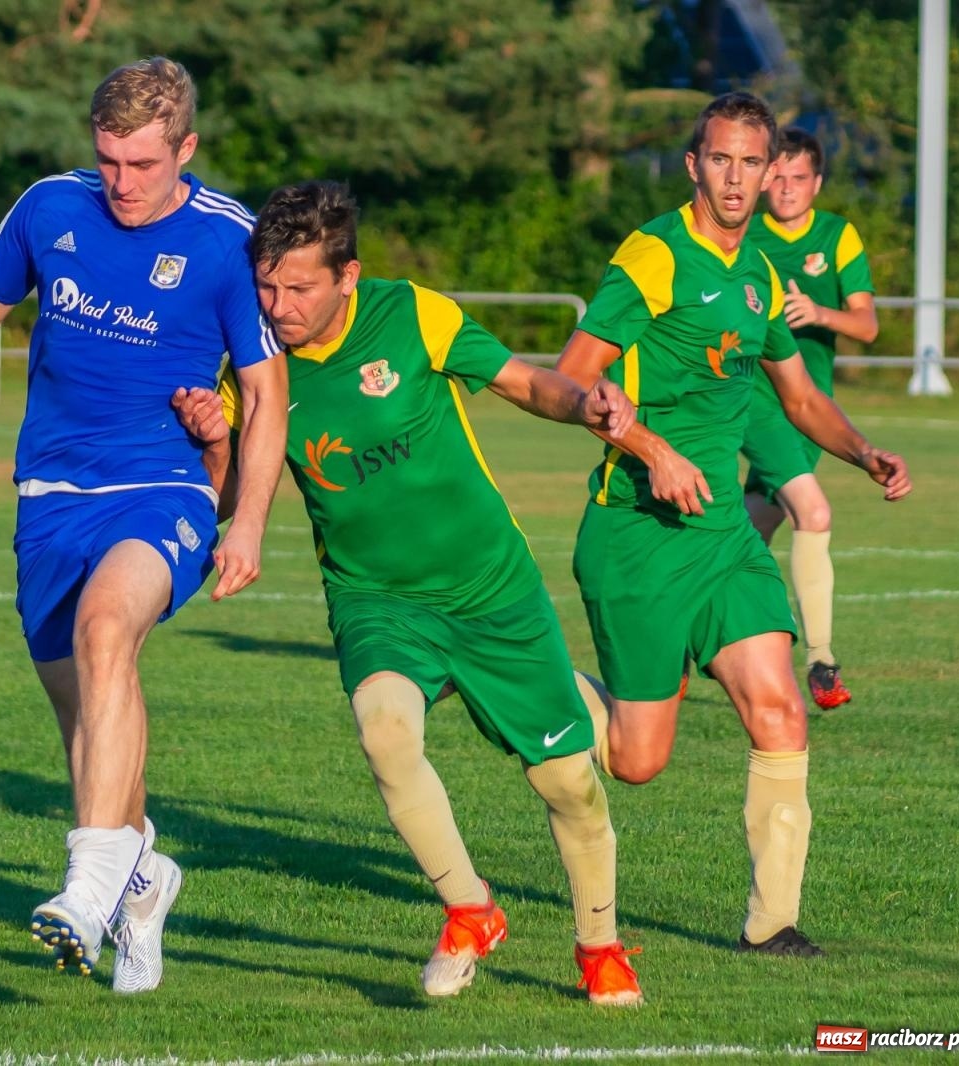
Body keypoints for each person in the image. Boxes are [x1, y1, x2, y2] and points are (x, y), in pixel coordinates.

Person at [174, 180, 645, 1004]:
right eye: (267, 286)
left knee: (567, 782)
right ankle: (469, 908)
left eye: (299, 288)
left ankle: (599, 946)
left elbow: (524, 382)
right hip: (375, 598)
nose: (277, 306)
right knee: (386, 733)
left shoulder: (412, 314)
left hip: (489, 589)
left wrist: (587, 405)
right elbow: (226, 490)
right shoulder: (250, 364)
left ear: (348, 276)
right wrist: (211, 437)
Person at [0, 56, 288, 993]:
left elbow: (268, 398)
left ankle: (84, 892)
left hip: (164, 489)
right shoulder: (50, 207)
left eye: (143, 165)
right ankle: (143, 877)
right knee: (90, 732)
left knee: (107, 628)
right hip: (48, 499)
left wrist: (248, 526)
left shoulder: (228, 241)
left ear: (186, 149)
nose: (121, 183)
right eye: (108, 160)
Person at [553, 92, 910, 957]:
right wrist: (649, 447)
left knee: (780, 708)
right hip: (637, 531)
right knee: (638, 763)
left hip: (721, 540)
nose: (739, 178)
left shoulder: (761, 273)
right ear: (695, 165)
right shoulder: (653, 254)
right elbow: (571, 381)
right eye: (722, 159)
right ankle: (519, 673)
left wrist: (864, 452)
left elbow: (799, 398)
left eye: (752, 162)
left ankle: (771, 923)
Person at [741, 127, 880, 709]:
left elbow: (867, 326)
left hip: (808, 407)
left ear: (817, 183)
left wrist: (818, 311)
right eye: (779, 176)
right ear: (765, 176)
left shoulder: (837, 235)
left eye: (800, 178)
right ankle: (821, 661)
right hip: (757, 400)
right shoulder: (745, 234)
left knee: (750, 529)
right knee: (813, 511)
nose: (787, 188)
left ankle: (684, 633)